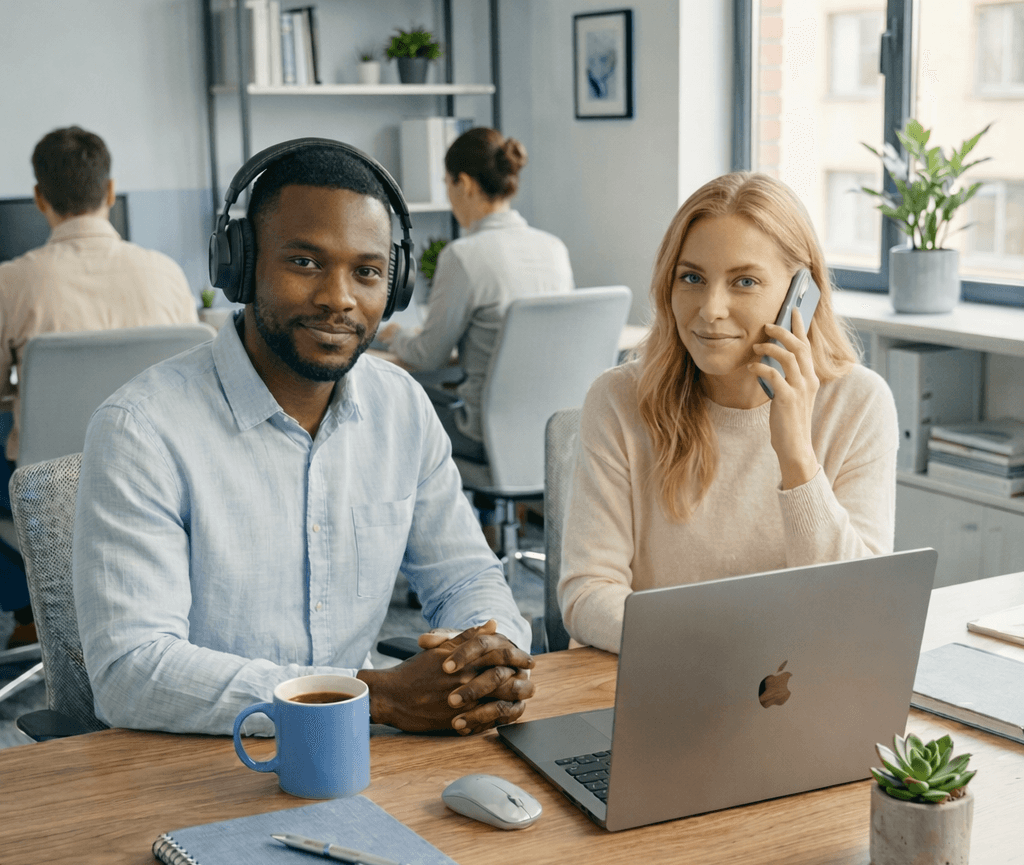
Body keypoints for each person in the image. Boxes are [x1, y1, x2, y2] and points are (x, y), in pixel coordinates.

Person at [73, 141, 535, 737]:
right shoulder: (141, 430)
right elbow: (131, 672)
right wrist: (370, 697)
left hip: (360, 754)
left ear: (394, 285)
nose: (338, 298)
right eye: (305, 262)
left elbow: (467, 577)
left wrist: (488, 658)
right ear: (240, 266)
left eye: (367, 272)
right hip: (200, 758)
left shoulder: (401, 408)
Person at [558, 171, 899, 654]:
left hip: (789, 684)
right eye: (692, 278)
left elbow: (858, 611)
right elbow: (588, 593)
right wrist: (717, 651)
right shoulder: (618, 399)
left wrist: (797, 457)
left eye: (745, 282)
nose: (711, 309)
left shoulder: (859, 404)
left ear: (801, 293)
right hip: (652, 673)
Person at [0, 126, 198, 463]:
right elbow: (189, 382)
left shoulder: (9, 283)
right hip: (153, 471)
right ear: (110, 191)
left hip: (52, 483)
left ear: (39, 197)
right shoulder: (168, 274)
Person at [378, 126, 574, 464]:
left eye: (447, 184)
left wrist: (396, 336)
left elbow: (428, 356)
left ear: (464, 184)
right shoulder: (554, 248)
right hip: (553, 438)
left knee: (387, 401)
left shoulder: (463, 256)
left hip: (484, 437)